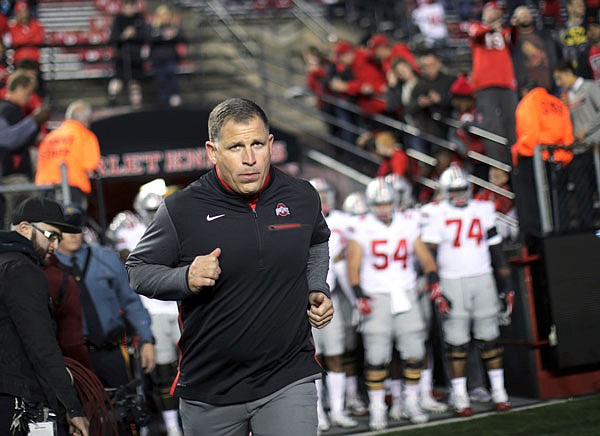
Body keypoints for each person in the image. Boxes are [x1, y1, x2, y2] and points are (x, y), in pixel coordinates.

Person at [126, 98, 334, 436]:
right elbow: (138, 269)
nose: (249, 158)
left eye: (256, 145)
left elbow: (316, 241)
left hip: (287, 375)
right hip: (211, 389)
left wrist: (316, 287)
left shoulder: (302, 195)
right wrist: (185, 277)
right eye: (236, 147)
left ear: (270, 145)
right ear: (213, 151)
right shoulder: (181, 209)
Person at [420, 163, 513, 418]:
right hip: (452, 279)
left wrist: (506, 285)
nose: (460, 195)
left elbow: (496, 251)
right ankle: (460, 395)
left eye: (463, 189)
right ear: (444, 191)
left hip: (482, 277)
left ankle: (499, 391)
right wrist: (436, 285)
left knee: (490, 338)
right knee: (456, 343)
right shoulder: (435, 212)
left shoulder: (483, 209)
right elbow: (428, 253)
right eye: (454, 190)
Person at [346, 177, 439, 430]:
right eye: (379, 204)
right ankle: (378, 409)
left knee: (415, 352)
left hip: (406, 294)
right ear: (370, 204)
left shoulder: (407, 224)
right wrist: (358, 293)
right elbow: (352, 265)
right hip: (376, 296)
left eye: (387, 203)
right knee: (376, 356)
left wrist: (433, 277)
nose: (384, 209)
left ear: (395, 202)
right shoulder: (361, 226)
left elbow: (424, 255)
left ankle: (411, 401)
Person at [0, 196, 89, 436]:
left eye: (59, 238)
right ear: (25, 228)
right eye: (51, 235)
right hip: (17, 400)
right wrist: (73, 408)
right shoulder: (21, 269)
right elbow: (40, 344)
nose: (55, 245)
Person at [54, 207, 156, 393]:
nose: (74, 234)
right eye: (67, 229)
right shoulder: (48, 265)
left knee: (125, 411)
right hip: (72, 356)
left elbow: (130, 301)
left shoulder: (104, 258)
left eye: (77, 228)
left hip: (111, 351)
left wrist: (146, 339)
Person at [308, 177, 358, 432]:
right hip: (305, 304)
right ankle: (317, 413)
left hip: (334, 298)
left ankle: (338, 409)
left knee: (337, 355)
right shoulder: (298, 225)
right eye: (318, 194)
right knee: (312, 361)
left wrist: (355, 299)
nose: (323, 198)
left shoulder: (341, 223)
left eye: (325, 193)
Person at [511, 79, 575, 240]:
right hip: (559, 159)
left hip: (536, 160)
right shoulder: (558, 103)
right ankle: (563, 233)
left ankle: (537, 237)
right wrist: (565, 157)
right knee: (560, 202)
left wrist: (520, 152)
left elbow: (529, 133)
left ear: (525, 91)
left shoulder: (528, 102)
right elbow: (568, 134)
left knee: (536, 203)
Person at [468, 1, 519, 164]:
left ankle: (515, 160)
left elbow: (513, 39)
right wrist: (492, 27)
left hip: (506, 82)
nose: (497, 14)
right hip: (485, 84)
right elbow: (476, 34)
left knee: (512, 125)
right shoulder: (476, 26)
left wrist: (515, 25)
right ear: (486, 11)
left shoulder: (503, 31)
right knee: (491, 126)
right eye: (494, 10)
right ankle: (497, 164)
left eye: (499, 12)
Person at [0, 70, 49, 228]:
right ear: (20, 88)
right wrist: (34, 120)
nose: (29, 99)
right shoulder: (9, 110)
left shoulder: (9, 109)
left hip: (11, 175)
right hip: (13, 176)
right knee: (27, 214)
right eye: (28, 94)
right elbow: (10, 139)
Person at [35, 100, 101, 210]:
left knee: (46, 224)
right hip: (71, 190)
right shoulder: (86, 136)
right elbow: (90, 164)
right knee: (70, 225)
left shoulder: (50, 137)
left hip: (44, 189)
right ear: (86, 120)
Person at [108, 0, 149, 107]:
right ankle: (112, 102)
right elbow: (112, 39)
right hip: (121, 57)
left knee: (135, 85)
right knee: (116, 83)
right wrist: (124, 36)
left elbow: (147, 37)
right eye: (127, 5)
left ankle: (136, 107)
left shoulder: (140, 18)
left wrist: (135, 35)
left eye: (132, 5)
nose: (130, 8)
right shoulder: (118, 19)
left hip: (136, 58)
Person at [148, 4, 186, 107]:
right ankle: (163, 103)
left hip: (170, 58)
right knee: (161, 81)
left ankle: (174, 99)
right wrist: (163, 36)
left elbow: (183, 38)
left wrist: (173, 35)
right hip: (157, 59)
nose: (164, 17)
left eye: (166, 14)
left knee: (172, 77)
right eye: (162, 15)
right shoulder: (153, 27)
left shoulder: (173, 27)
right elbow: (148, 39)